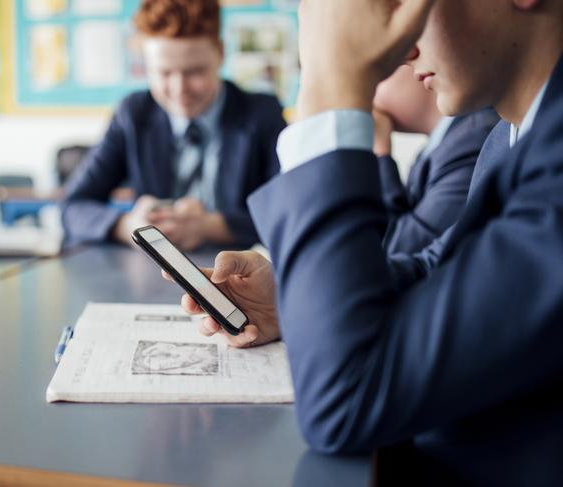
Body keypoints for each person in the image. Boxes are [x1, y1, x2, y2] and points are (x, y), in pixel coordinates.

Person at [172, 0, 563, 483]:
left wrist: (331, 84)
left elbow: (345, 403)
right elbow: (437, 271)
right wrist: (293, 296)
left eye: (410, 5)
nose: (402, 51)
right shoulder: (510, 136)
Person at [61, 0, 285, 250]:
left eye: (195, 72)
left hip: (240, 277)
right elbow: (73, 207)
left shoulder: (262, 114)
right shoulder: (134, 114)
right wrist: (129, 227)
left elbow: (289, 213)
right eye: (164, 73)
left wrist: (210, 226)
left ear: (220, 53)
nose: (180, 90)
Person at [373, 65, 498, 254]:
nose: (365, 99)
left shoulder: (474, 139)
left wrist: (379, 153)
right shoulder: (432, 152)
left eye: (375, 76)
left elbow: (395, 251)